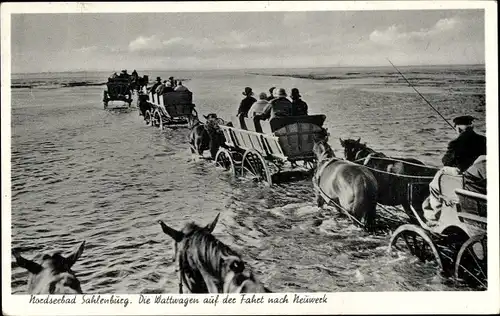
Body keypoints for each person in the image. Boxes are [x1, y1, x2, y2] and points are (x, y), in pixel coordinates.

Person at [422, 115, 487, 223]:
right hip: (479, 175)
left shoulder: (455, 143)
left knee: (433, 185)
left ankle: (435, 216)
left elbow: (446, 162)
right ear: (471, 125)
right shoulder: (483, 139)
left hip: (462, 175)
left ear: (458, 128)